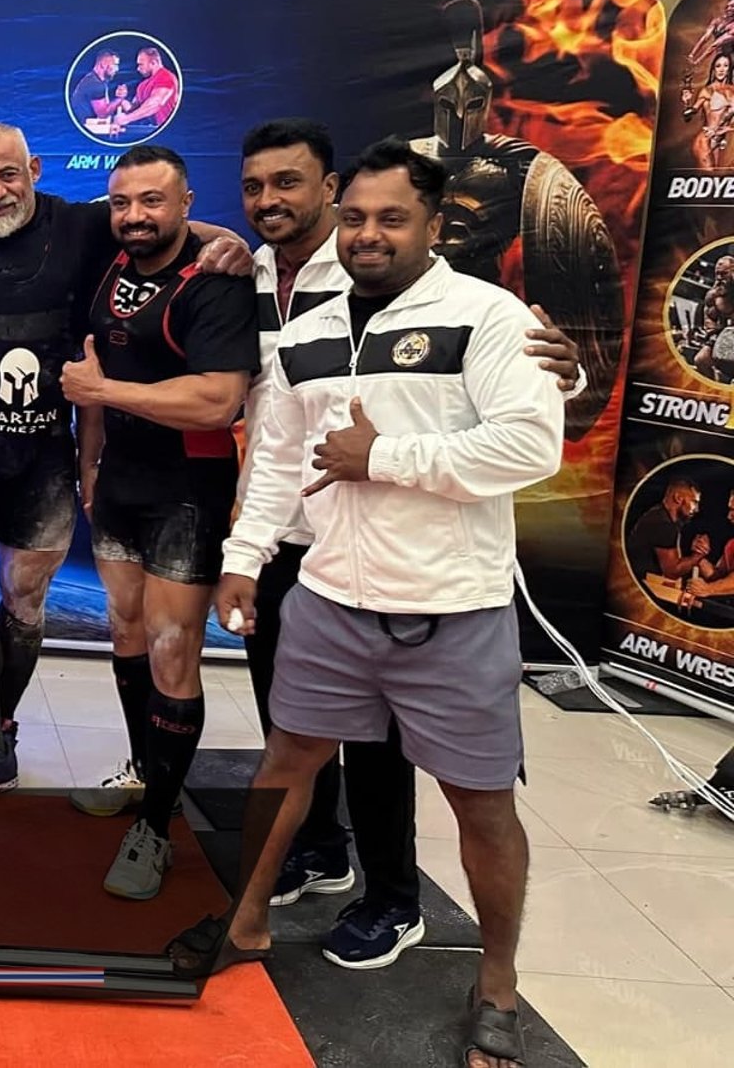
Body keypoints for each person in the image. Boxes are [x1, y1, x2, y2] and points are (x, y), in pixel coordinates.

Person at [199, 138, 565, 1068]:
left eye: (392, 217)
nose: (368, 233)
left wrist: (385, 457)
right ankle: (245, 922)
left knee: (481, 805)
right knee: (286, 765)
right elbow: (278, 458)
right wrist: (244, 556)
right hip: (328, 598)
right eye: (357, 217)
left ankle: (497, 985)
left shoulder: (487, 314)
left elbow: (530, 446)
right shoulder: (310, 330)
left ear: (432, 224)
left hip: (454, 609)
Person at [0, 122, 248, 802]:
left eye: (8, 175)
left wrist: (225, 240)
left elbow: (161, 226)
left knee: (25, 599)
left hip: (46, 455)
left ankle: (4, 729)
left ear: (34, 168)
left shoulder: (84, 226)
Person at [58, 144, 258, 900]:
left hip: (187, 489)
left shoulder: (215, 281)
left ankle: (157, 828)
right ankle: (145, 771)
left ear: (185, 203)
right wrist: (90, 463)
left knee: (175, 653)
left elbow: (217, 400)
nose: (135, 216)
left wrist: (103, 394)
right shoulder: (111, 259)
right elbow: (93, 368)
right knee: (128, 633)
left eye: (153, 201)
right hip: (119, 483)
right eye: (122, 202)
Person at [627, 478, 708, 583]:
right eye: (694, 502)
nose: (696, 509)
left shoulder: (660, 516)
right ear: (678, 498)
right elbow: (672, 573)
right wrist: (697, 555)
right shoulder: (663, 524)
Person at [111, 47, 179, 134]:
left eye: (141, 64)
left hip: (169, 132)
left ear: (153, 63)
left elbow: (155, 104)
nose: (138, 69)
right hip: (153, 131)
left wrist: (127, 118)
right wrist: (121, 99)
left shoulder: (165, 76)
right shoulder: (142, 85)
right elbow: (134, 108)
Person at [69, 49, 126, 129]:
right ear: (103, 64)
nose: (117, 69)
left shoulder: (94, 79)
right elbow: (103, 114)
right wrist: (120, 98)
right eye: (115, 65)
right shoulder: (95, 84)